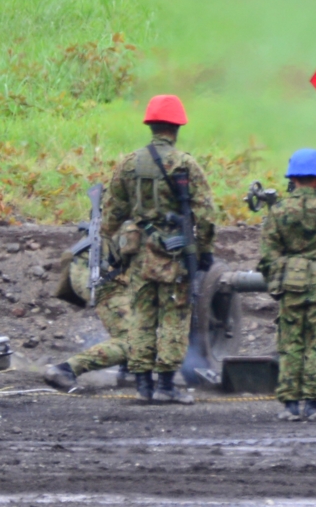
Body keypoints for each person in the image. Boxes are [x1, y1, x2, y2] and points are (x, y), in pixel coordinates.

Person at [100, 94, 216, 404]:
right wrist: (204, 252)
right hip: (173, 257)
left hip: (138, 256)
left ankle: (142, 385)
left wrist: (113, 247)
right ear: (177, 127)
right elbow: (205, 214)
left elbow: (111, 212)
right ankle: (166, 385)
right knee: (175, 317)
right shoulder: (185, 164)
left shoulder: (129, 163)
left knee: (142, 316)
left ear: (151, 125)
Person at [258, 100, 316, 422]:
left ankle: (289, 406)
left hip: (293, 286)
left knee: (291, 342)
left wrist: (279, 281)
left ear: (292, 177)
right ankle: (314, 404)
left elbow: (267, 255)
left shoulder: (279, 211)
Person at [44, 237, 132, 391]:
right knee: (133, 340)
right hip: (99, 272)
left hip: (107, 265)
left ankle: (131, 371)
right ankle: (65, 369)